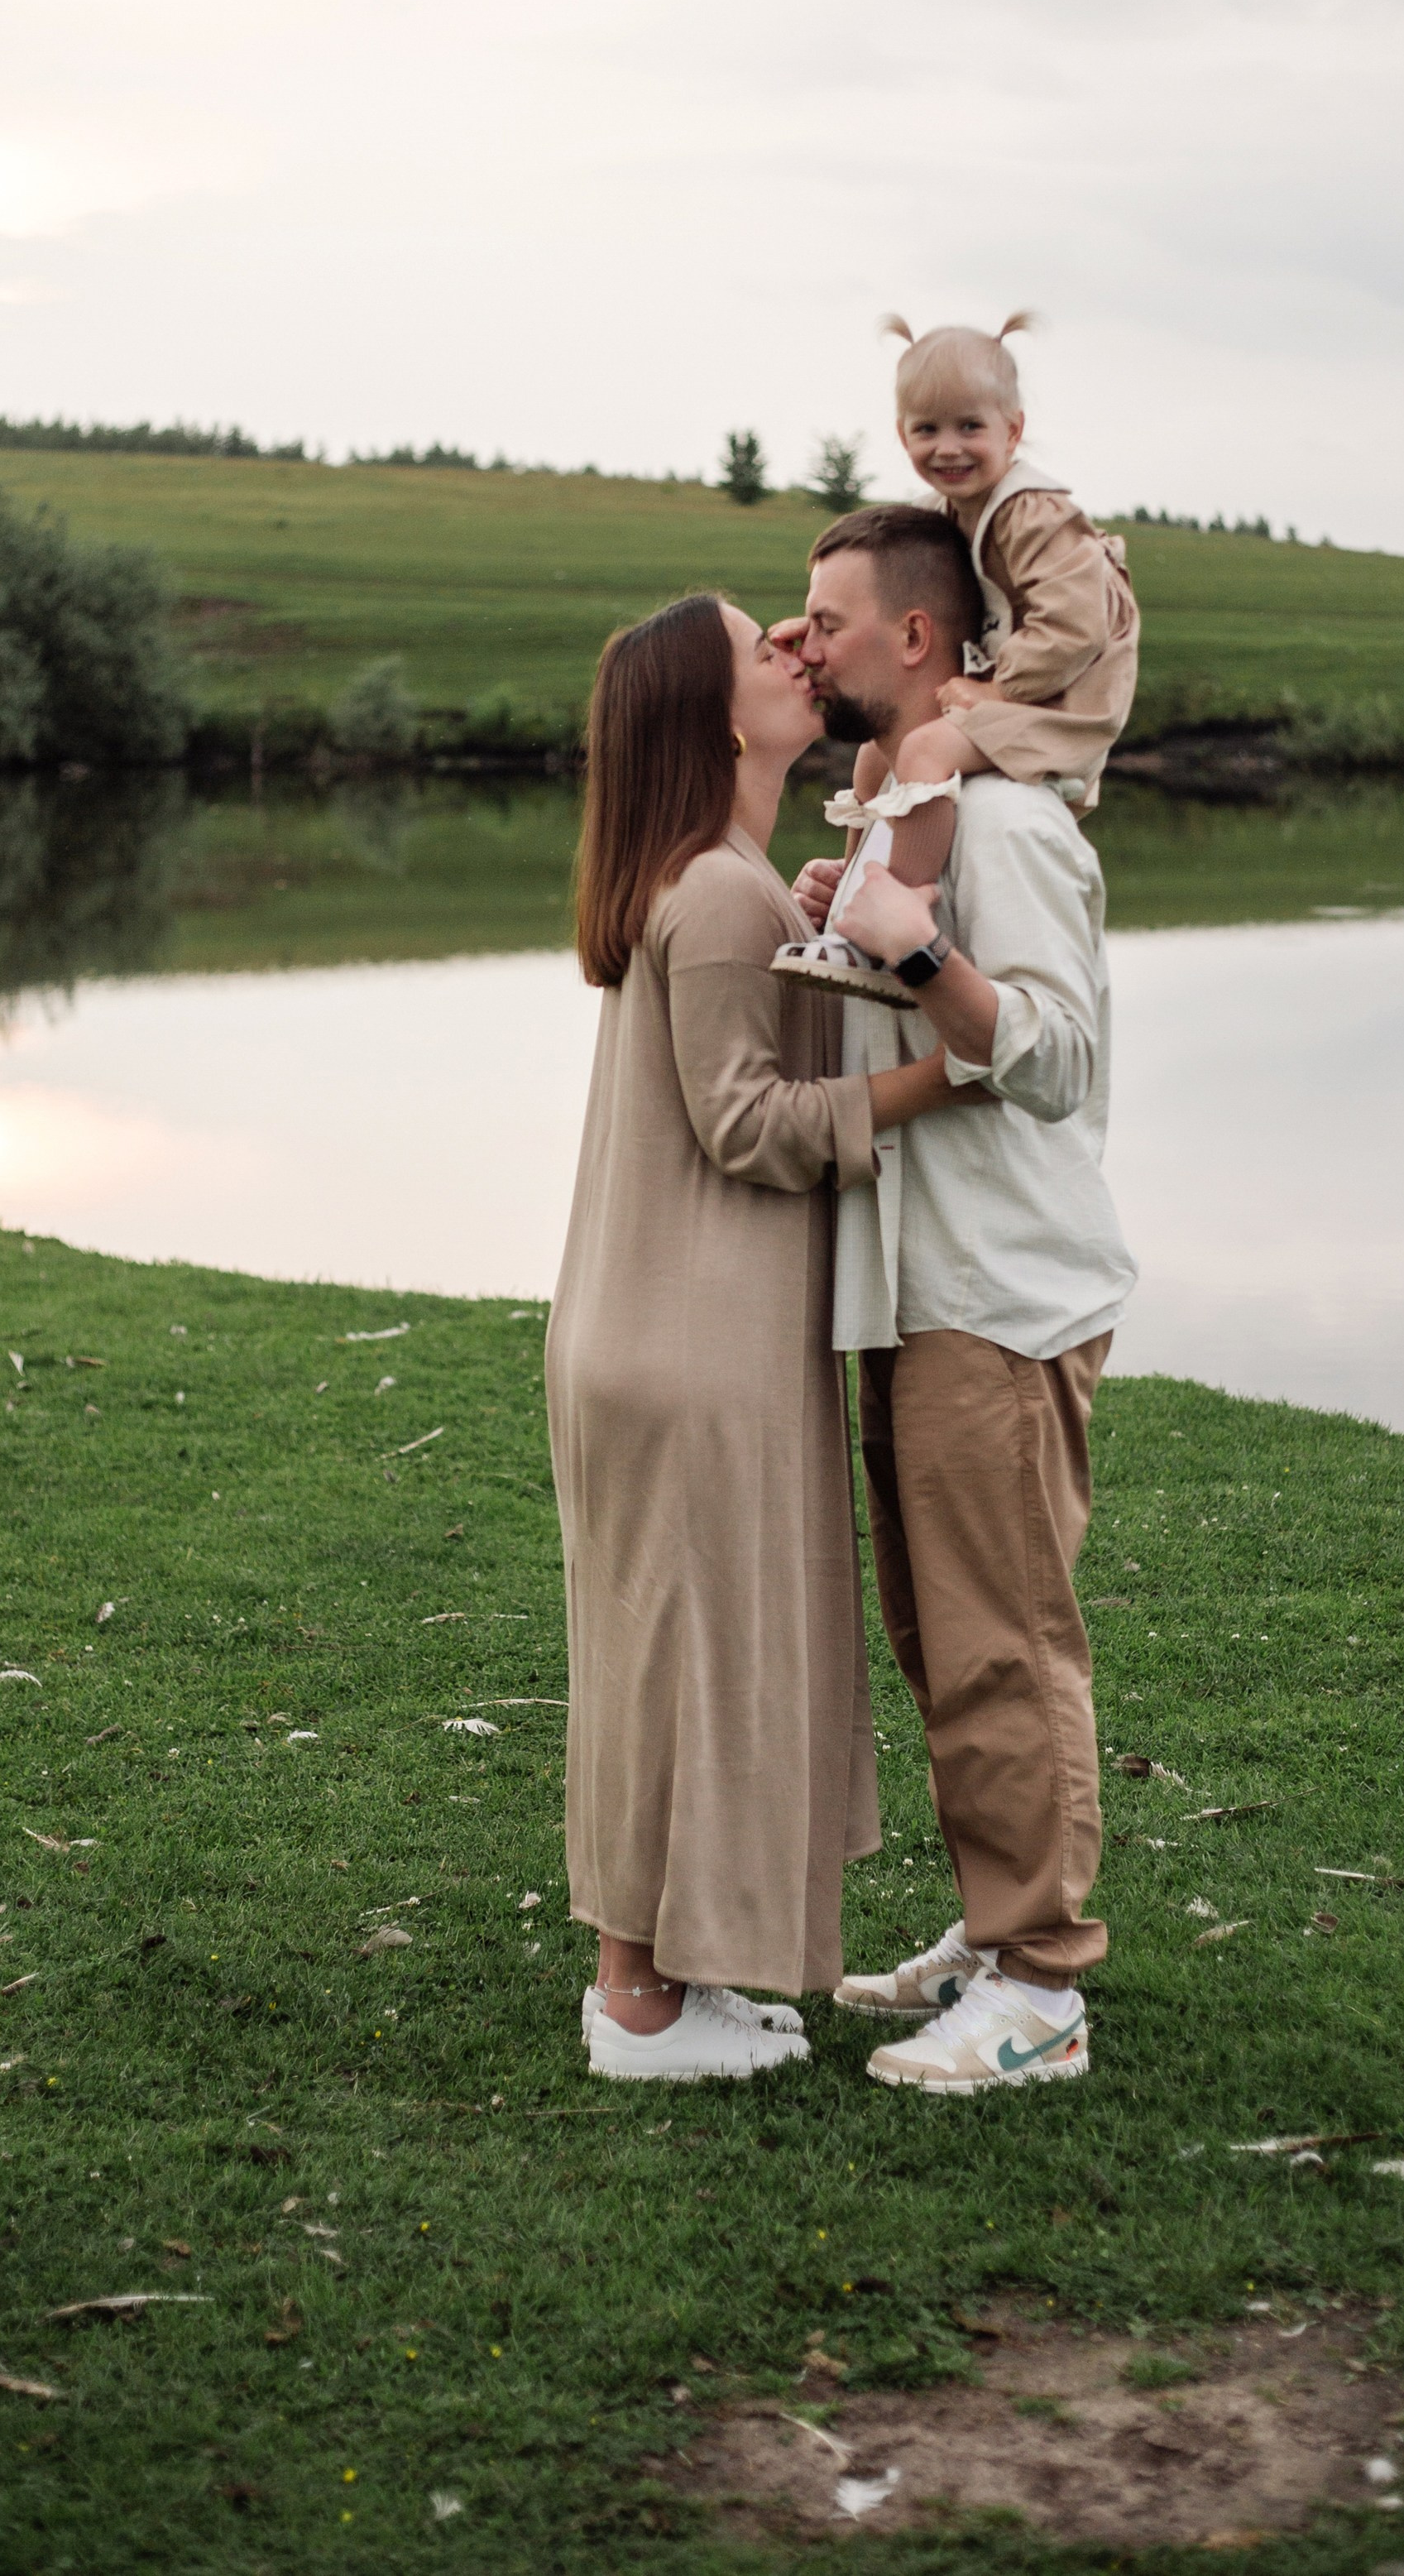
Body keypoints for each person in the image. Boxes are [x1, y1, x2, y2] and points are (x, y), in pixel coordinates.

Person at [546, 591, 981, 2084]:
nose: (799, 652)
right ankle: (639, 2007)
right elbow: (744, 1124)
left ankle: (667, 1982)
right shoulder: (718, 895)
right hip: (692, 1341)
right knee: (683, 1664)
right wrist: (941, 1074)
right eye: (765, 647)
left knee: (669, 1653)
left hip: (657, 1325)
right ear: (722, 720)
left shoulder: (719, 880)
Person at [784, 505, 1138, 2094]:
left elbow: (1055, 1059)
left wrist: (918, 955)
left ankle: (1043, 1988)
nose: (807, 645)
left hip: (999, 1300)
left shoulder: (1001, 829)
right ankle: (994, 1932)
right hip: (914, 1290)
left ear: (915, 638)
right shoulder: (905, 807)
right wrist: (838, 923)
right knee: (942, 1640)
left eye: (827, 620)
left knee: (1004, 1643)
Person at [773, 312, 1138, 1010]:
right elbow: (897, 578)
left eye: (970, 427)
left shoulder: (1035, 513)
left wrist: (991, 687)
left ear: (1014, 429)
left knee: (927, 749)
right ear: (901, 433)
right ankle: (856, 907)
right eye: (927, 430)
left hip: (1063, 692)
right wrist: (821, 629)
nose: (948, 448)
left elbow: (1077, 627)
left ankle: (897, 919)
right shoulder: (946, 508)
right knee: (874, 761)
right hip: (1013, 680)